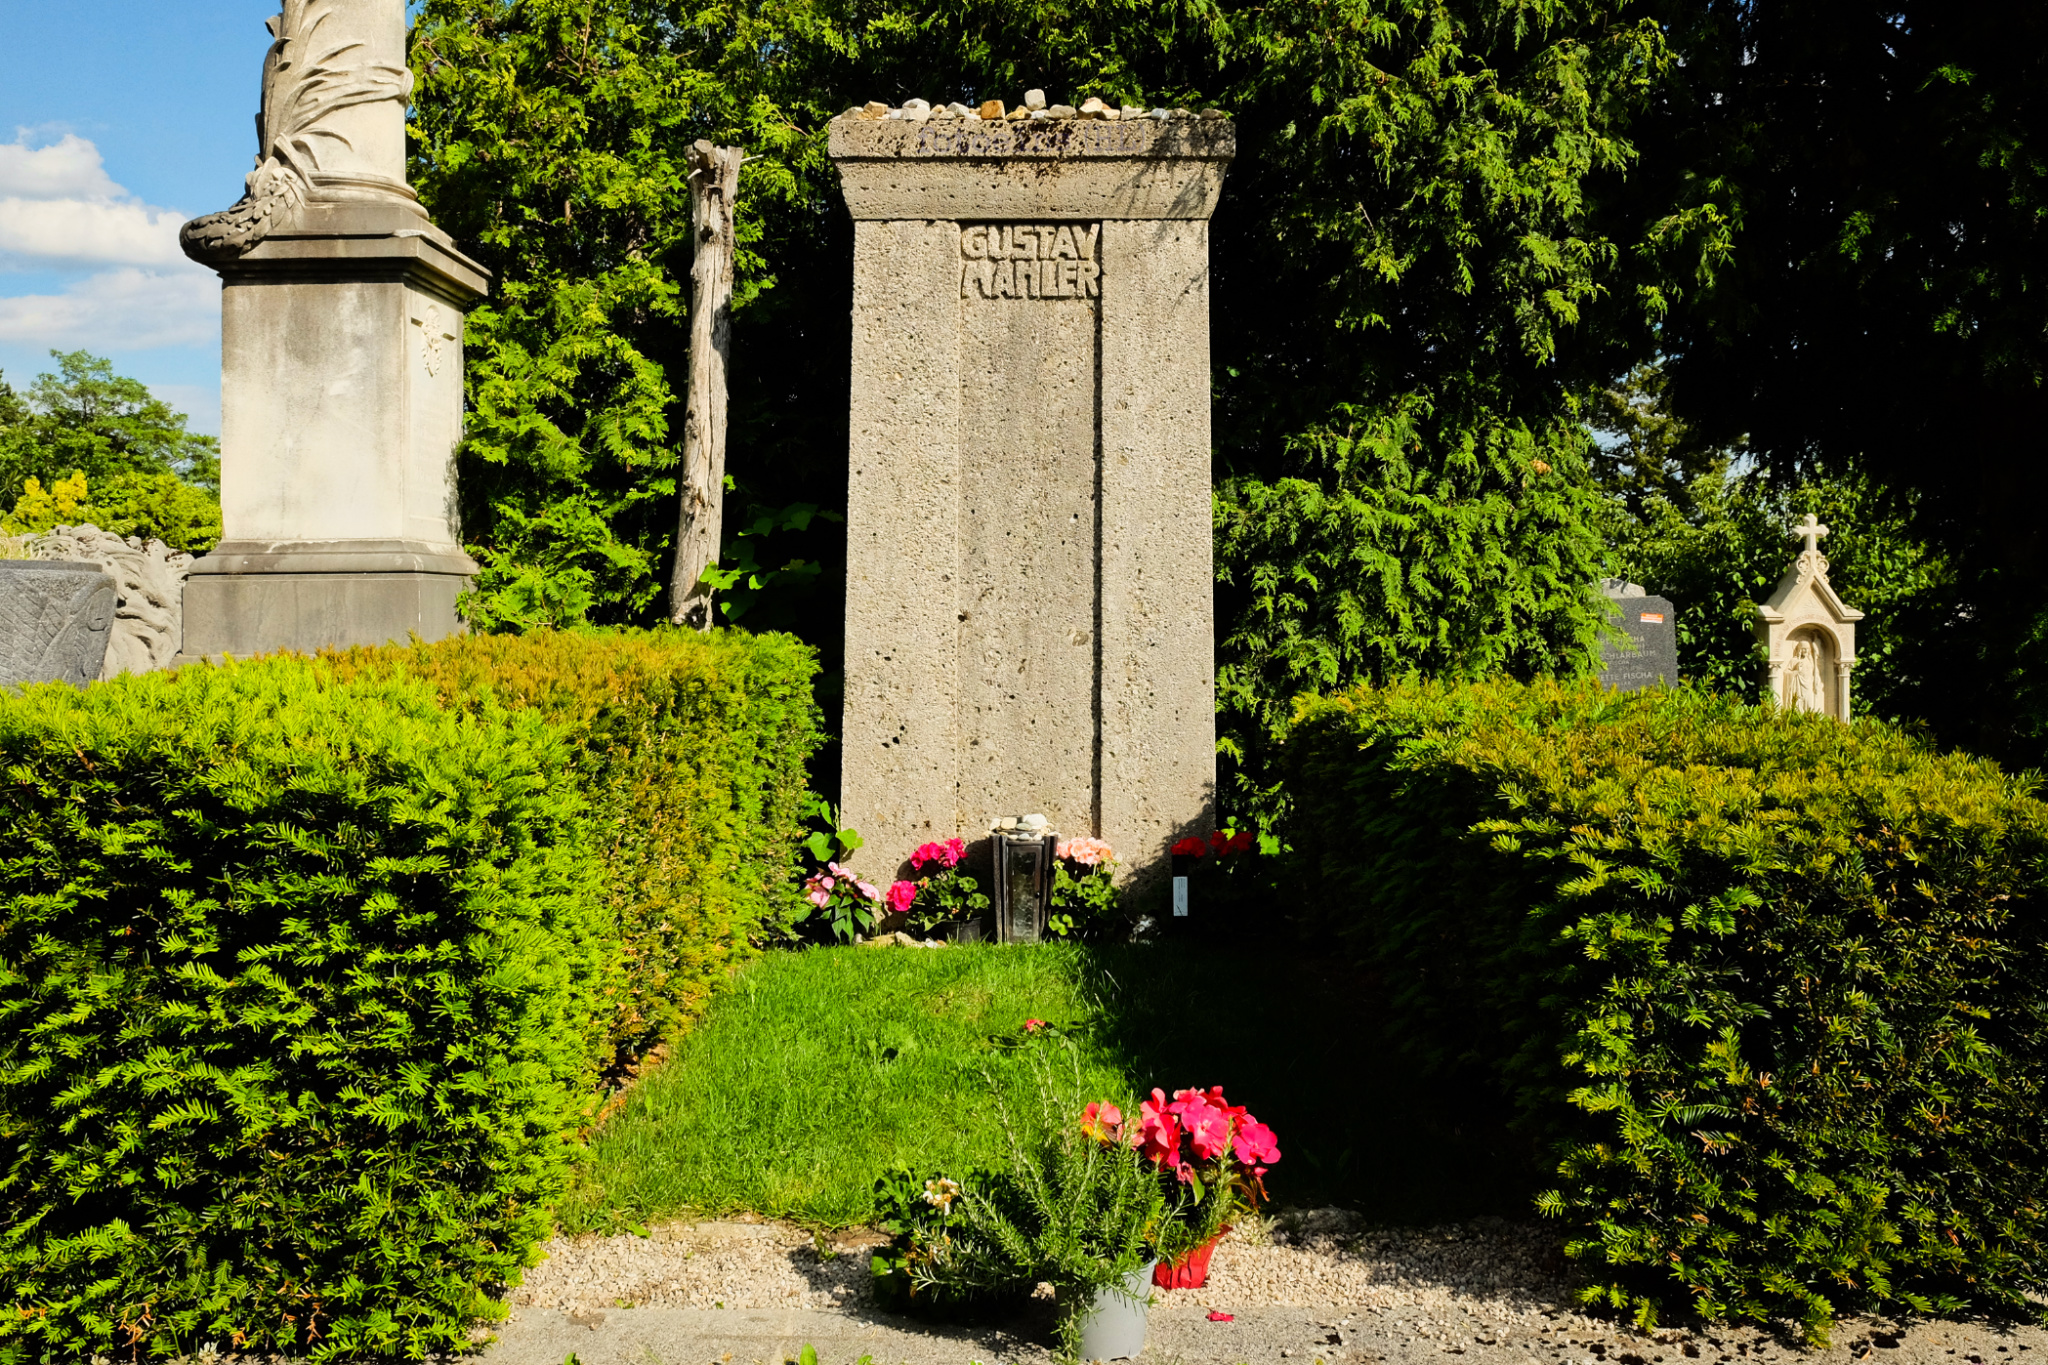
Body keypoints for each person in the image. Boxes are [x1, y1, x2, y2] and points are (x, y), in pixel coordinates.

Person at [1785, 637, 1827, 714]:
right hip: (1798, 688)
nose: (1805, 651)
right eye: (1803, 649)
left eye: (1807, 649)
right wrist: (1795, 671)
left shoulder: (1811, 661)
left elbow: (1816, 672)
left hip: (1809, 687)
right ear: (1799, 650)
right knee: (1798, 707)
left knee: (1810, 706)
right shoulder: (1794, 660)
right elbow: (1787, 672)